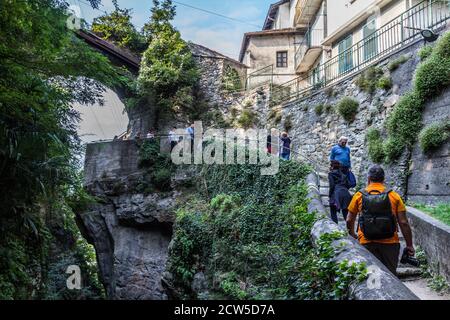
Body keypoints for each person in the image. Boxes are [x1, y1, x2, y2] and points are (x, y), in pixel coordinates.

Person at [346, 165, 415, 276]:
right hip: (390, 243)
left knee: (371, 278)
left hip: (367, 242)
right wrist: (409, 245)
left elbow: (349, 220)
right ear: (383, 179)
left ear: (368, 178)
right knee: (390, 276)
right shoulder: (394, 196)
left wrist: (353, 234)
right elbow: (403, 222)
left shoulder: (358, 195)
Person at [328, 160, 352, 224]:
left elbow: (332, 185)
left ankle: (335, 230)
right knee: (346, 213)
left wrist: (330, 195)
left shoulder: (331, 174)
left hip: (337, 193)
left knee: (333, 211)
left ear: (332, 166)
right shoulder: (344, 175)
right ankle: (350, 230)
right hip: (346, 194)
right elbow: (349, 185)